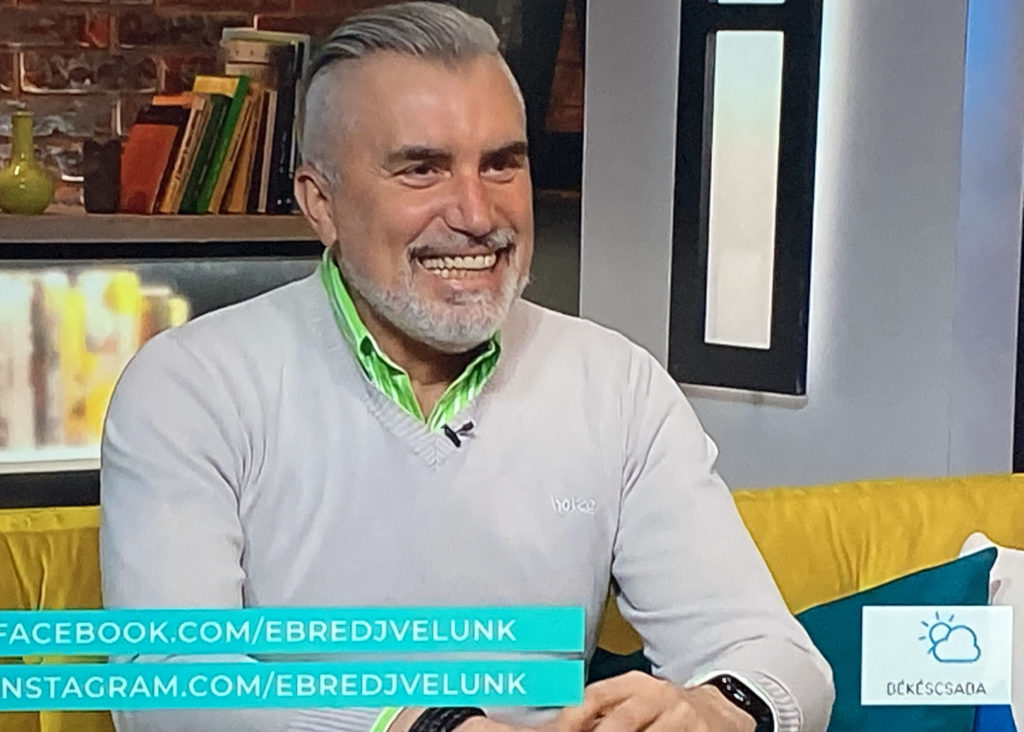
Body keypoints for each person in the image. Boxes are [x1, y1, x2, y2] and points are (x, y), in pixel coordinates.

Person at [99, 3, 835, 731]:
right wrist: (423, 727)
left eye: (501, 164)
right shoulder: (191, 386)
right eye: (422, 169)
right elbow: (170, 689)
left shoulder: (617, 385)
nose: (478, 215)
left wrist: (713, 709)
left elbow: (780, 660)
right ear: (321, 203)